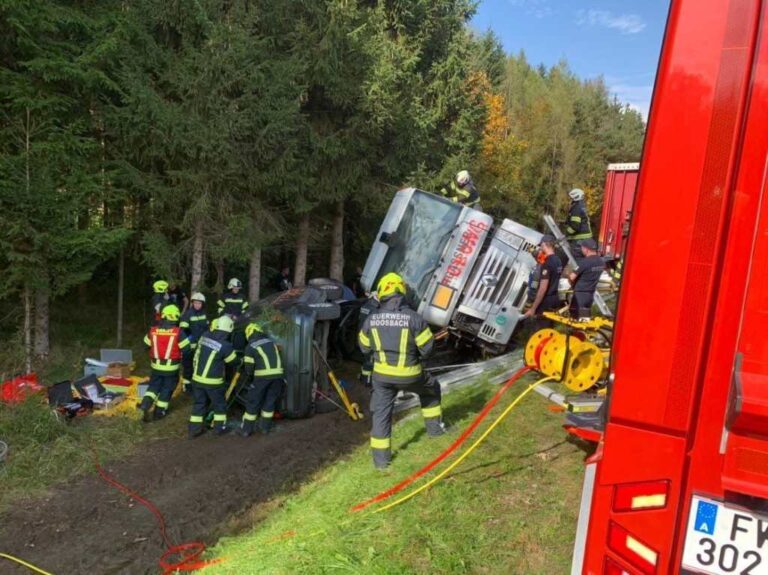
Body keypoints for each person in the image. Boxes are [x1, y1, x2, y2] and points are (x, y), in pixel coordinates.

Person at [358, 273, 444, 469]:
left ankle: (381, 463)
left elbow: (363, 348)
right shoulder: (414, 318)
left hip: (382, 378)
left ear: (381, 294)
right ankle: (435, 432)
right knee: (430, 389)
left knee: (381, 414)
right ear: (402, 291)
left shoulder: (371, 320)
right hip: (411, 374)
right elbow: (428, 350)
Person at [188, 315, 239, 438]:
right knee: (219, 405)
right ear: (228, 330)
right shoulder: (225, 345)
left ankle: (194, 430)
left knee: (199, 404)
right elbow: (233, 361)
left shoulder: (205, 336)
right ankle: (219, 428)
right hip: (213, 383)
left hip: (197, 379)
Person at [141, 304, 191, 422]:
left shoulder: (153, 330)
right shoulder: (178, 332)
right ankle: (159, 412)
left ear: (164, 316)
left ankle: (145, 404)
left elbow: (145, 345)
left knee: (153, 386)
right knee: (167, 388)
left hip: (155, 366)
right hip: (171, 368)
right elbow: (187, 350)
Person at [237, 323, 285, 437]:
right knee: (270, 401)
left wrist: (249, 376)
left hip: (262, 377)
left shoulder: (251, 346)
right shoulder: (270, 342)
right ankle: (264, 428)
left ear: (249, 332)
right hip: (278, 376)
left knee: (253, 401)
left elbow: (249, 368)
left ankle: (246, 430)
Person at [522, 235, 563, 329]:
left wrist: (533, 308)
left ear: (544, 244)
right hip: (554, 298)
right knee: (549, 330)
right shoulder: (558, 260)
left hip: (545, 302)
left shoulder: (547, 263)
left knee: (540, 332)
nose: (540, 247)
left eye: (541, 245)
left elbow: (542, 288)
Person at [568, 239, 606, 319]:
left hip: (579, 295)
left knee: (575, 320)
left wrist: (569, 278)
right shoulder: (601, 262)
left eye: (582, 248)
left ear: (586, 249)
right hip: (590, 295)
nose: (581, 250)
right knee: (584, 319)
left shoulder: (585, 262)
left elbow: (572, 277)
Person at [179, 292, 208, 387]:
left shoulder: (204, 314)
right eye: (195, 303)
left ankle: (196, 384)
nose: (197, 305)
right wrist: (190, 339)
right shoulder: (187, 314)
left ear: (202, 304)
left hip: (201, 345)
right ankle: (186, 386)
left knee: (199, 365)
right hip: (190, 346)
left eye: (199, 303)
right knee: (188, 366)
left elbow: (207, 328)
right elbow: (183, 331)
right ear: (192, 303)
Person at [564, 188, 593, 257]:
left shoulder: (576, 208)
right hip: (585, 238)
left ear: (575, 197)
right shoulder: (582, 206)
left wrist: (566, 233)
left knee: (577, 261)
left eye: (571, 198)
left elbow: (575, 226)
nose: (570, 200)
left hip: (579, 239)